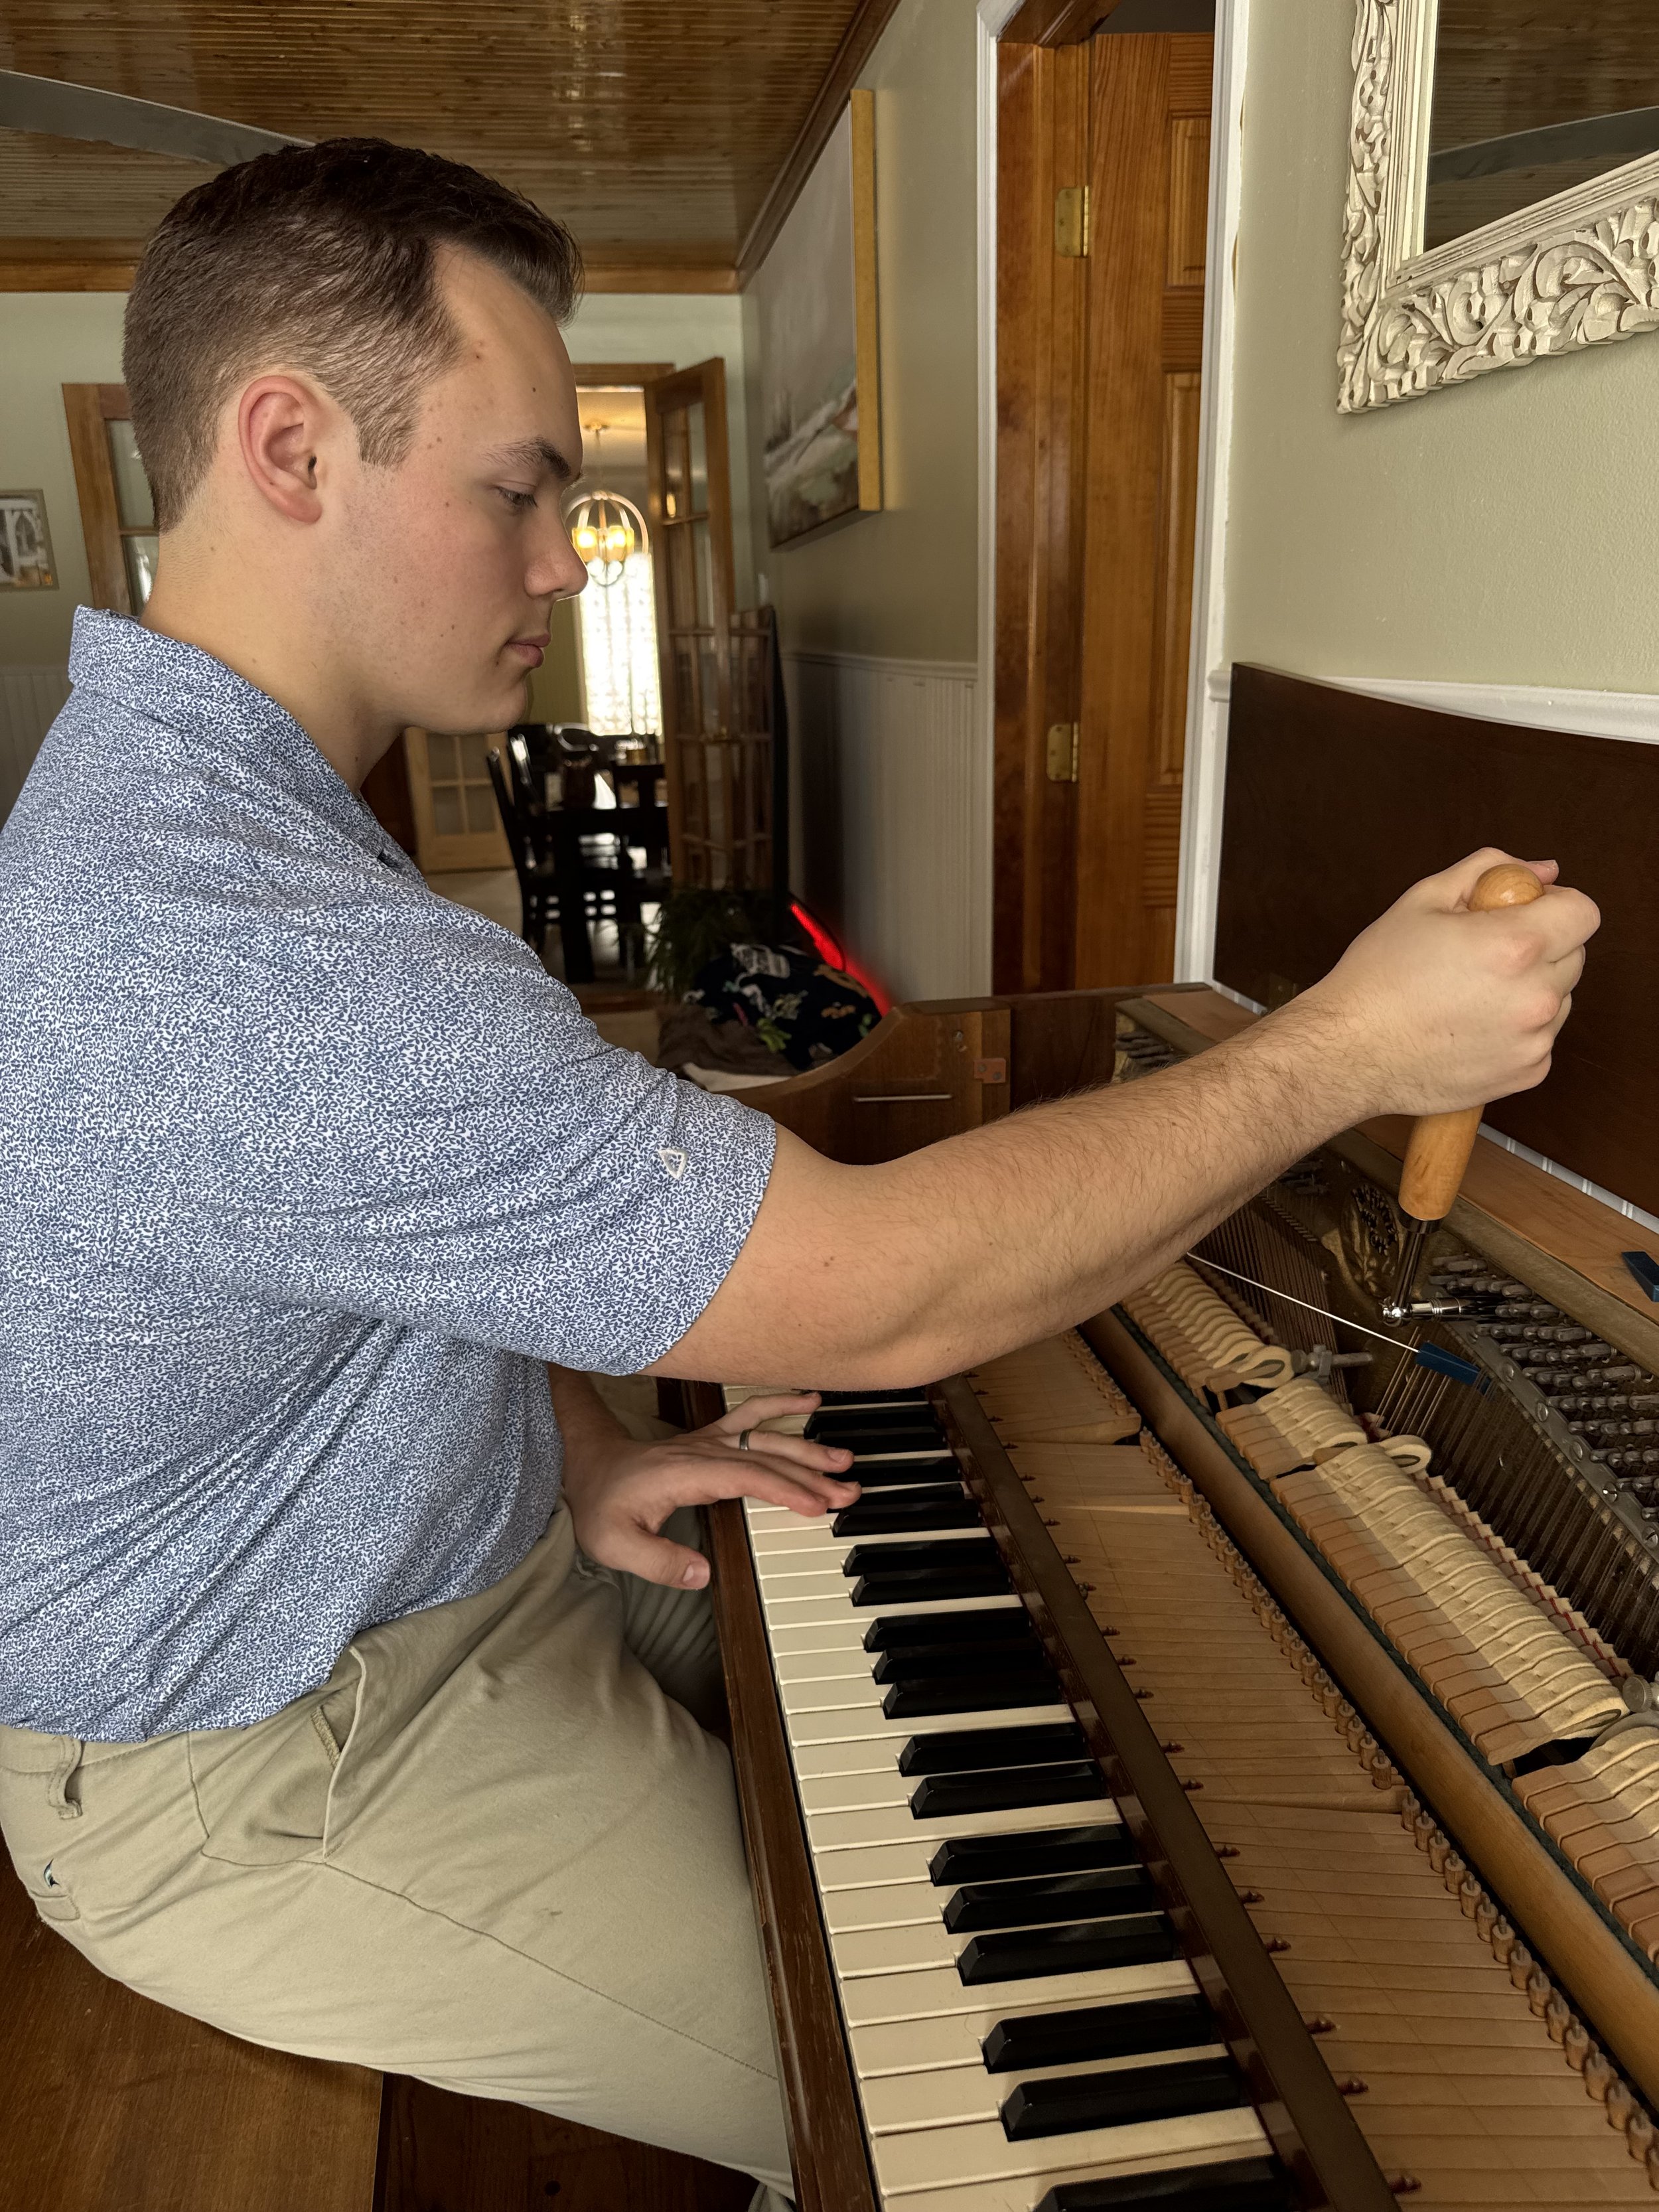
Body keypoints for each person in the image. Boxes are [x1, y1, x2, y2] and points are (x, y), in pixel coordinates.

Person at [0, 138, 1595, 2208]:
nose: (570, 559)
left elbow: (349, 1252)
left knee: (986, 1678)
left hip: (470, 1563)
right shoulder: (222, 935)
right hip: (272, 1753)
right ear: (292, 447)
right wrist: (1345, 1052)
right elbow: (879, 1296)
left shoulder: (220, 803)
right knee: (958, 2102)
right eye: (511, 487)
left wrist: (575, 1453)